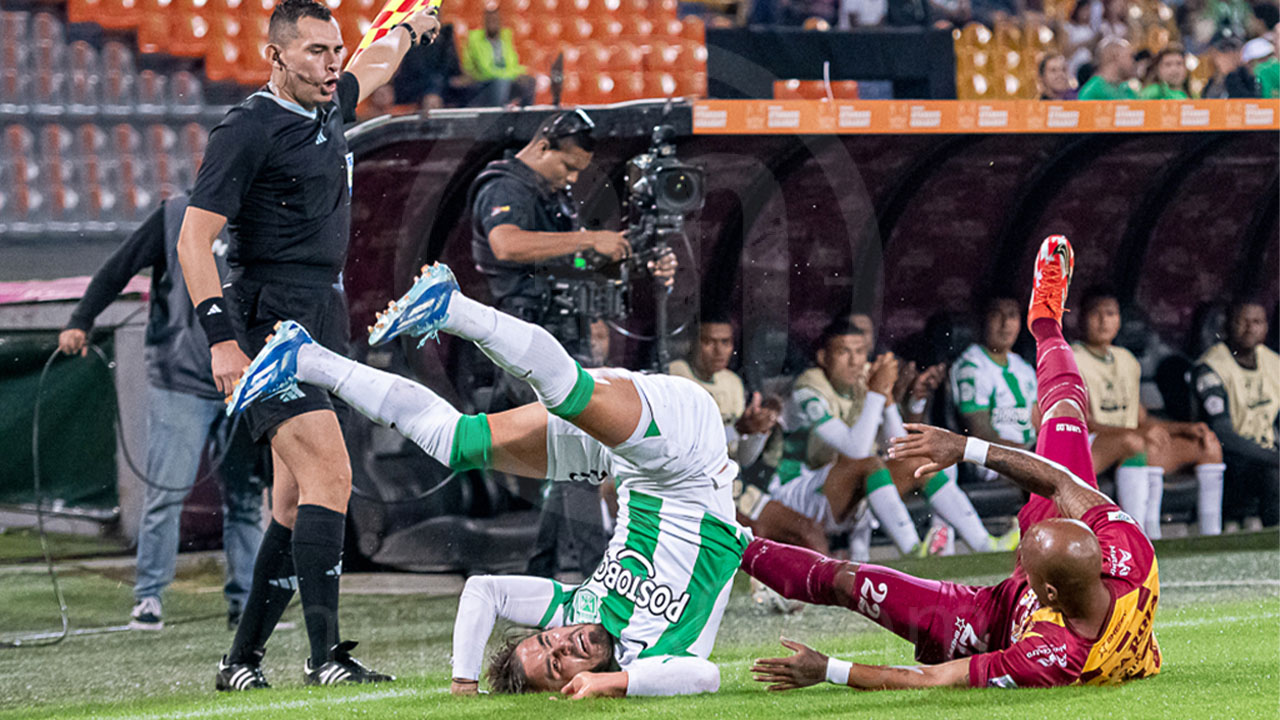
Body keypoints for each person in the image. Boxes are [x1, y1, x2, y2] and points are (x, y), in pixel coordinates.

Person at [228, 261, 752, 697]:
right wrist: (617, 684)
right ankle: (380, 333)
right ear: (575, 685)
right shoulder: (657, 659)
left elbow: (484, 592)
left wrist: (464, 681)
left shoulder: (575, 609)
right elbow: (705, 675)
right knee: (514, 418)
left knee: (494, 428)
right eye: (557, 663)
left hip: (642, 455)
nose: (564, 645)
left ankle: (362, 338)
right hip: (688, 455)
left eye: (547, 645)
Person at [745, 235, 1162, 690]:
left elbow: (932, 679)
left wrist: (828, 669)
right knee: (1064, 416)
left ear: (1046, 593)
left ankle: (730, 547)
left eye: (1025, 553)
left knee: (848, 581)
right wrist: (965, 448)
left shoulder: (1052, 656)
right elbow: (1058, 483)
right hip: (1056, 580)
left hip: (988, 621)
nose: (1021, 543)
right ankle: (1046, 323)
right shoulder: (1131, 553)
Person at [175, 0, 442, 690]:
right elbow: (192, 240)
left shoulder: (327, 104)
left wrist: (409, 26)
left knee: (294, 505)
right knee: (332, 476)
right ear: (276, 56)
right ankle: (326, 656)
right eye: (317, 52)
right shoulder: (247, 129)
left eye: (335, 50)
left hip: (322, 315)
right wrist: (222, 343)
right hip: (269, 321)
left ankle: (240, 663)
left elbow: (373, 65)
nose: (333, 65)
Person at [59, 195, 263, 633]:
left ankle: (246, 606)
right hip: (182, 377)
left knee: (246, 499)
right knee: (166, 493)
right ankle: (149, 597)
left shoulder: (264, 212)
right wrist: (82, 318)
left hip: (247, 382)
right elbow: (121, 266)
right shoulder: (176, 216)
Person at [767, 319, 1010, 559]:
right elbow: (857, 451)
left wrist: (887, 398)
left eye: (860, 352)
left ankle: (985, 544)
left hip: (841, 489)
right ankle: (914, 551)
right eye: (844, 352)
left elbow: (898, 445)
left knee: (919, 462)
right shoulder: (807, 387)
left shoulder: (864, 377)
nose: (854, 361)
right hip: (797, 493)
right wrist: (876, 392)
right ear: (823, 358)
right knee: (869, 463)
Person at [1072, 286, 1224, 538]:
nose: (1103, 320)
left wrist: (1183, 428)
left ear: (1119, 319)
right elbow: (1083, 421)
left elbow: (1140, 418)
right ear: (1080, 319)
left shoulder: (1126, 360)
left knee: (1207, 445)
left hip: (1130, 442)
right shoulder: (1072, 358)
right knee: (1137, 442)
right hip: (1090, 444)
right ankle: (1140, 533)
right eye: (1095, 313)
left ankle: (1212, 535)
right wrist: (1140, 432)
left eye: (1110, 313)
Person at [1192, 300, 1279, 530]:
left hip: (1267, 451)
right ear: (1228, 326)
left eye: (1257, 322)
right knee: (1274, 474)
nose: (1250, 328)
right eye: (1242, 321)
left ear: (1266, 327)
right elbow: (1223, 434)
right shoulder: (1211, 366)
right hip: (1230, 458)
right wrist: (1274, 458)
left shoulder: (1273, 362)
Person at [949, 295, 1038, 451]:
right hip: (994, 462)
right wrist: (1028, 455)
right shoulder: (971, 366)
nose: (1005, 324)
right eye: (996, 315)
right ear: (983, 321)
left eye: (1012, 315)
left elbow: (1040, 423)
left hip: (1030, 458)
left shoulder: (1023, 367)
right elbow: (981, 434)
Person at [461, 6, 535, 107]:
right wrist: (510, 76)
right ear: (484, 22)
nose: (492, 23)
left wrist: (520, 73)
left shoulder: (506, 37)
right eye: (489, 20)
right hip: (483, 81)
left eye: (495, 20)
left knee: (528, 81)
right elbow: (485, 69)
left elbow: (512, 64)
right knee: (501, 82)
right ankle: (497, 117)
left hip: (505, 80)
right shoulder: (475, 39)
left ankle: (525, 118)